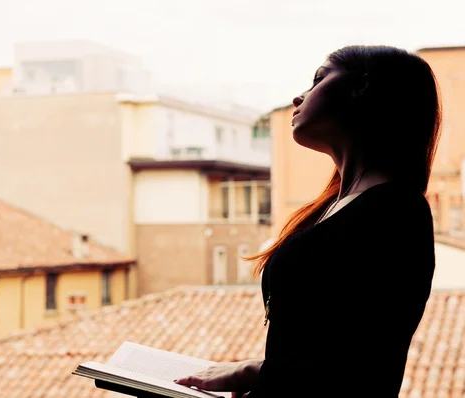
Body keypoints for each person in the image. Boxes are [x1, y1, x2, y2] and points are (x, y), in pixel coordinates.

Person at [174, 45, 441, 397]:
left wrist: (258, 372)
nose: (299, 97)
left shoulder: (396, 214)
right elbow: (322, 346)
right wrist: (259, 375)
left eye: (318, 79)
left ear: (362, 87)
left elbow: (359, 363)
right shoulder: (339, 207)